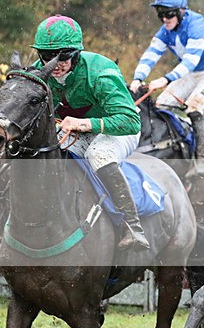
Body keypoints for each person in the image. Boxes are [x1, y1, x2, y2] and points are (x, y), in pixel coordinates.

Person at [31, 15, 150, 250]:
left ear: (76, 54)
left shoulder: (101, 73)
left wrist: (85, 124)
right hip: (74, 129)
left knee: (99, 154)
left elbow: (131, 121)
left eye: (63, 56)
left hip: (117, 129)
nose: (55, 63)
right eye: (47, 56)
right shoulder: (37, 73)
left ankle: (132, 226)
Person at [129, 0, 204, 177]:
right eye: (160, 14)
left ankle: (201, 160)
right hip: (191, 74)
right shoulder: (165, 30)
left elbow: (190, 61)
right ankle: (178, 143)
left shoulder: (197, 25)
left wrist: (165, 79)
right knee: (162, 104)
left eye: (169, 13)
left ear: (182, 11)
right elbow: (150, 55)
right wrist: (137, 79)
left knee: (193, 106)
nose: (165, 19)